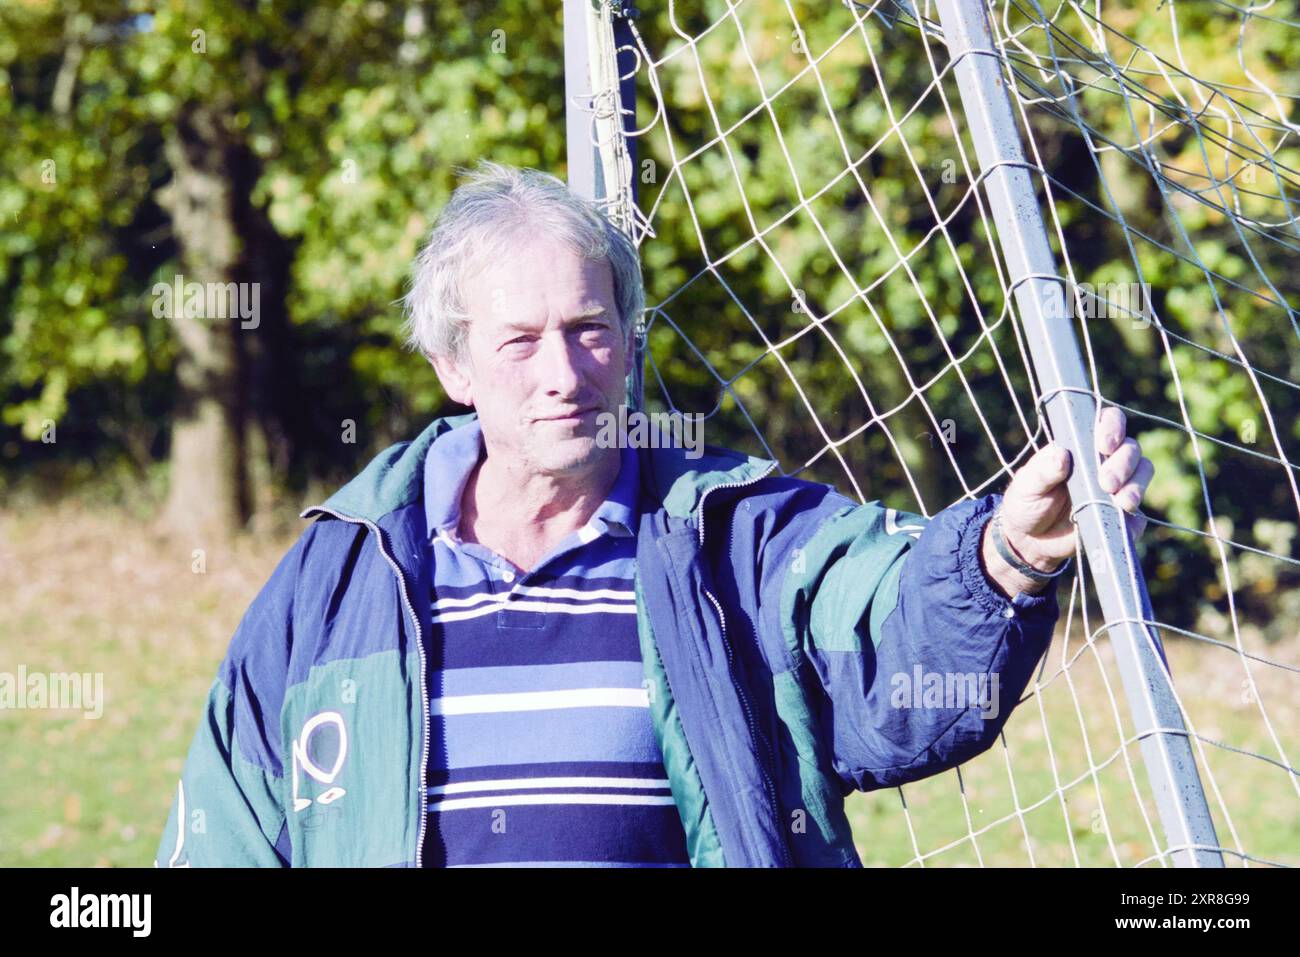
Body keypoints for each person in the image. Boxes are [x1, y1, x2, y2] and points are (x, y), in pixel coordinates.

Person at [154, 161, 1153, 868]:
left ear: (631, 341)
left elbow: (900, 675)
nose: (563, 374)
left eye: (590, 331)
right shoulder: (340, 579)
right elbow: (227, 836)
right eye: (520, 342)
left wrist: (1007, 555)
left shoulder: (739, 541)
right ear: (452, 366)